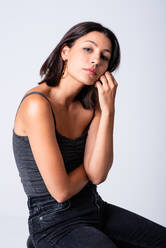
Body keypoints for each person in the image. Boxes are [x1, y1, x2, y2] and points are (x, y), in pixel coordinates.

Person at [12, 21, 166, 248]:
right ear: (65, 52)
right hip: (54, 223)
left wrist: (108, 110)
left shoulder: (93, 104)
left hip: (95, 210)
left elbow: (99, 175)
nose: (96, 59)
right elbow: (62, 191)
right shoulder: (37, 104)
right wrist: (89, 164)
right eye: (88, 49)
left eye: (105, 57)